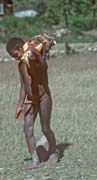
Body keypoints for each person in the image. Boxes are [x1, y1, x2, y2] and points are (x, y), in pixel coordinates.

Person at [6, 36, 58, 169]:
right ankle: (35, 160)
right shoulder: (21, 65)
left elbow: (43, 66)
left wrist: (37, 55)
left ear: (20, 48)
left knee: (45, 128)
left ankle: (53, 152)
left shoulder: (32, 59)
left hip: (43, 97)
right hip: (31, 100)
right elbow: (23, 85)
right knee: (27, 129)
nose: (14, 57)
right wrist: (19, 105)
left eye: (15, 54)